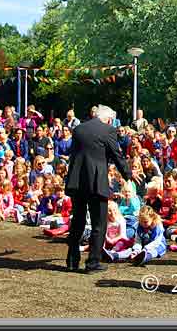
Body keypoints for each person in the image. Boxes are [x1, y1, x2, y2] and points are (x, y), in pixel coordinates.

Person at [65, 105, 137, 274]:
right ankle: (93, 262)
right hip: (96, 182)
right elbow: (116, 155)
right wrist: (127, 174)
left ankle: (72, 260)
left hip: (77, 181)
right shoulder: (108, 130)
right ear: (109, 119)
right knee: (99, 223)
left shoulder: (78, 129)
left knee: (78, 221)